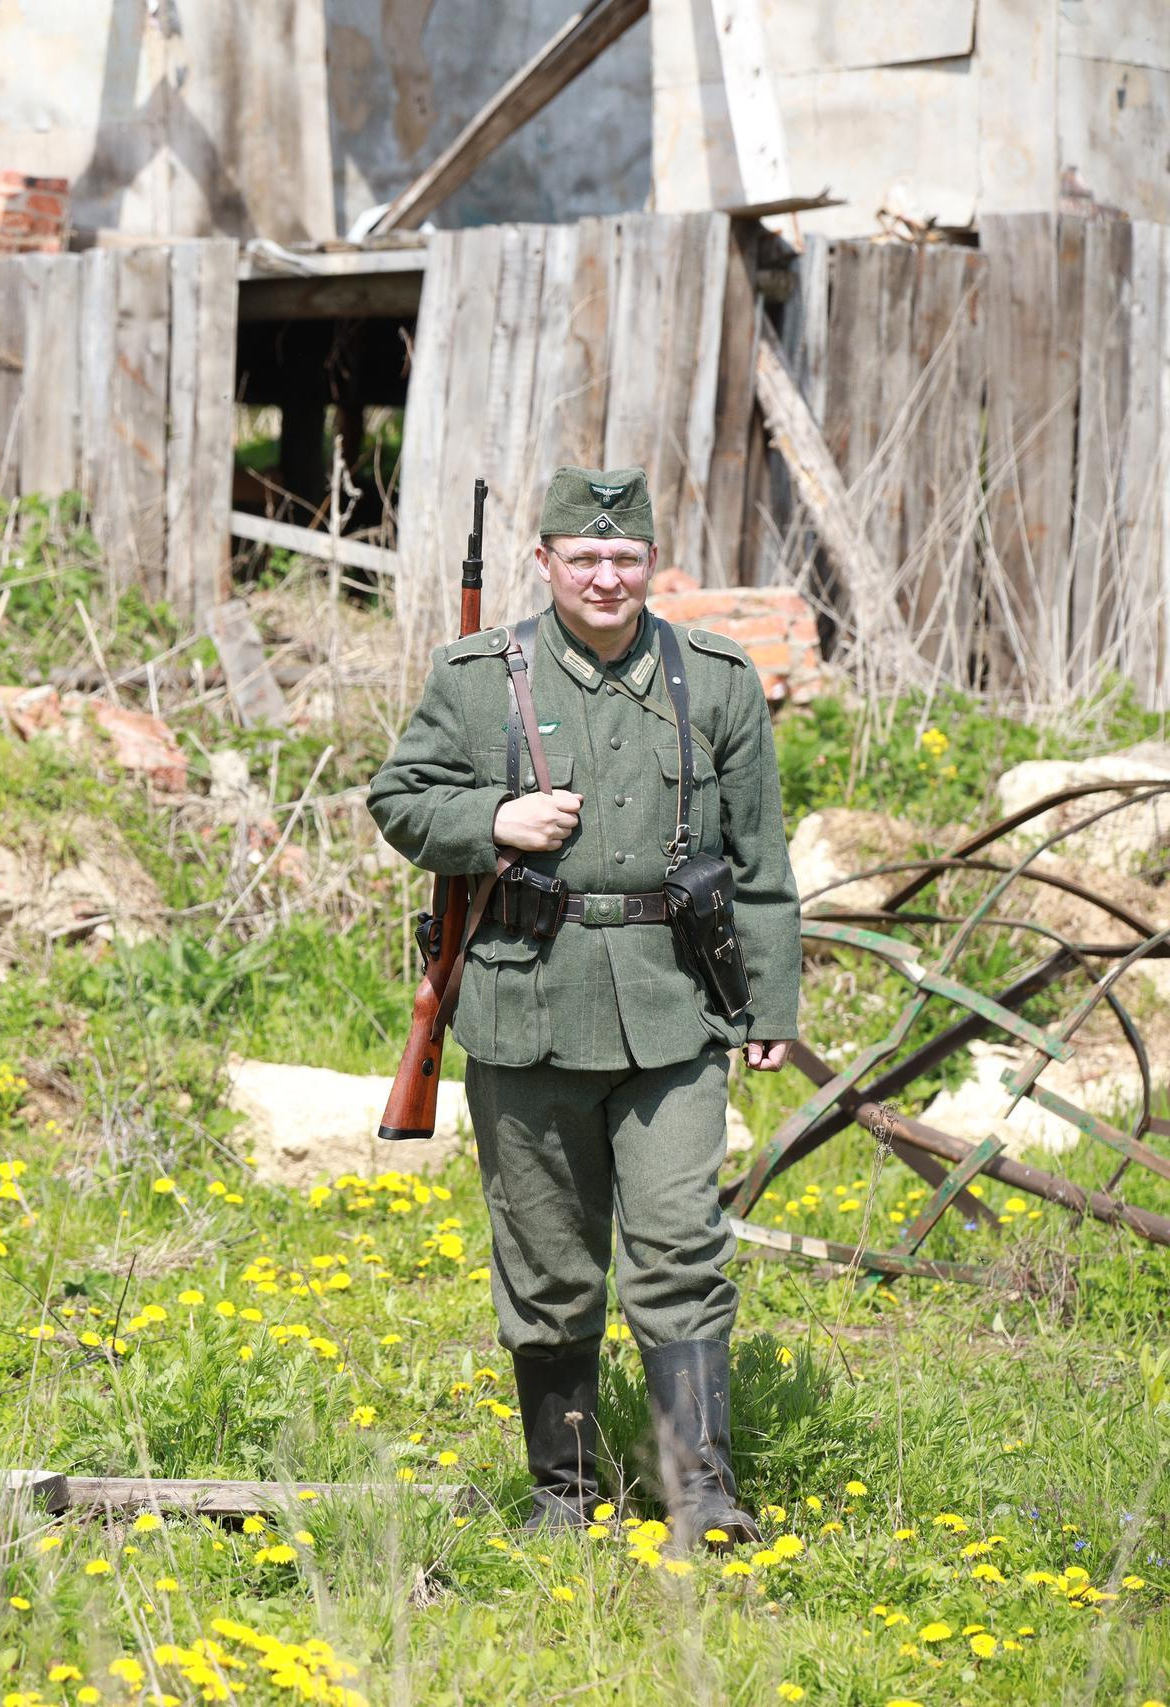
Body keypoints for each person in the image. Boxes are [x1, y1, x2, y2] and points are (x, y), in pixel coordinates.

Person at [367, 466, 800, 1551]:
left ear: (648, 562)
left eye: (624, 557)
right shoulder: (474, 679)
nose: (605, 577)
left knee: (680, 1254)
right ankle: (565, 1495)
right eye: (583, 557)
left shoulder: (714, 678)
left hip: (676, 1010)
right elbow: (397, 799)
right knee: (550, 1271)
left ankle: (699, 1495)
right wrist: (495, 819)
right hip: (526, 1004)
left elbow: (760, 863)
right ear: (544, 561)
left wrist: (768, 1001)